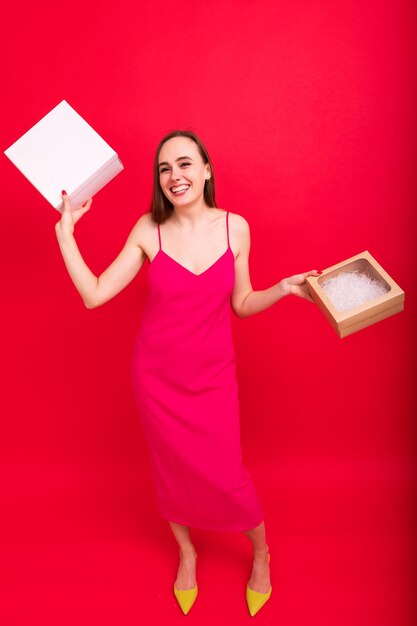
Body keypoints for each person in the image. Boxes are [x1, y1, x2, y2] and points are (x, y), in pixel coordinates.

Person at [55, 129, 321, 617]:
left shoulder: (235, 228)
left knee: (227, 476)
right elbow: (94, 294)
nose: (174, 176)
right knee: (171, 473)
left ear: (206, 170)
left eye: (183, 164)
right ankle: (187, 551)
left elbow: (241, 303)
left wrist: (282, 289)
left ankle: (260, 553)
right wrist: (65, 234)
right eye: (164, 169)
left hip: (214, 378)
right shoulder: (146, 230)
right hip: (156, 380)